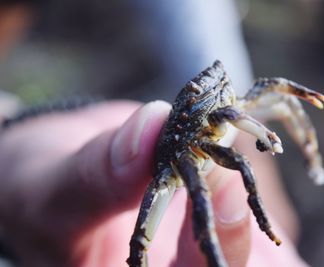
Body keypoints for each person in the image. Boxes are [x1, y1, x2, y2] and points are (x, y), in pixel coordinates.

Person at [0, 1, 307, 266]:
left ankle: (312, 163)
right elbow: (229, 122)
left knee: (278, 101)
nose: (222, 92)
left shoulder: (227, 96)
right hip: (175, 161)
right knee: (149, 236)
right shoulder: (212, 115)